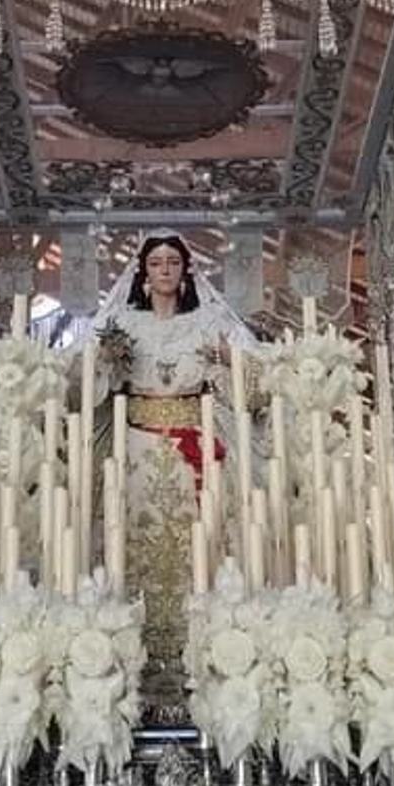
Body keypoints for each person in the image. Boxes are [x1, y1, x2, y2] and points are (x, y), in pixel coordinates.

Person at [89, 234, 260, 710]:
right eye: (156, 262)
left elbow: (253, 380)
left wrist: (228, 360)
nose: (164, 270)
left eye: (173, 262)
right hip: (137, 448)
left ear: (185, 272)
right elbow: (86, 381)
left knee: (198, 545)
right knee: (131, 541)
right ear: (143, 273)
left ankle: (197, 655)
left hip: (194, 448)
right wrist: (103, 363)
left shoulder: (207, 322)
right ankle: (133, 658)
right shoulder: (122, 322)